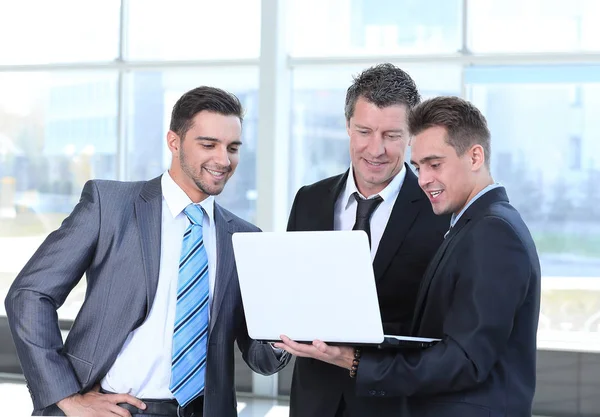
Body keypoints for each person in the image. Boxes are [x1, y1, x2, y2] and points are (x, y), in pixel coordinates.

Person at [5, 86, 290, 417]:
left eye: (233, 147)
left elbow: (259, 356)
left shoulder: (243, 237)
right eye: (208, 144)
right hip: (109, 406)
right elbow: (29, 294)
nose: (223, 160)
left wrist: (283, 333)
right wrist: (66, 397)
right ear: (174, 142)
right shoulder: (109, 206)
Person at [278, 96, 541, 417]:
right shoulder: (475, 225)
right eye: (419, 167)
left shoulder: (492, 232)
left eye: (435, 164)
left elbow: (466, 360)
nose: (425, 179)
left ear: (475, 157)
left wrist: (355, 361)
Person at [284, 63, 450, 417]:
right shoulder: (308, 200)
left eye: (391, 135)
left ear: (411, 136)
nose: (376, 150)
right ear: (347, 127)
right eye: (364, 131)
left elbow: (441, 326)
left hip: (393, 404)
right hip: (314, 401)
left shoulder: (440, 211)